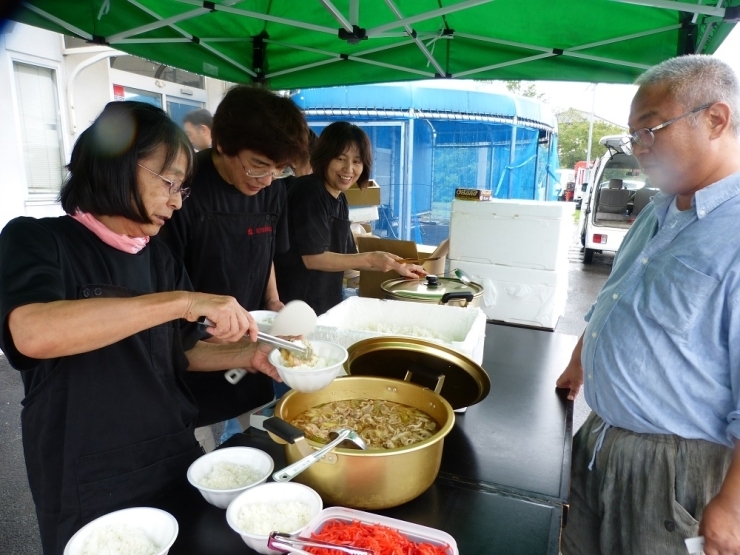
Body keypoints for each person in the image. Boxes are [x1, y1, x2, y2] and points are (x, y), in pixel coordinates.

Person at [0, 101, 279, 554]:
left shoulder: (159, 257)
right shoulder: (37, 240)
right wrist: (182, 301)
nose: (175, 200)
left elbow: (181, 351)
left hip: (171, 458)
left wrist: (248, 355)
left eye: (183, 190)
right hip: (88, 476)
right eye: (168, 181)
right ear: (115, 164)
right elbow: (33, 334)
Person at [556, 55, 740, 555]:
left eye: (650, 129)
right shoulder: (660, 210)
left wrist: (733, 505)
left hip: (676, 470)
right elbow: (618, 300)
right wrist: (580, 359)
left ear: (716, 120)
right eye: (634, 134)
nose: (639, 149)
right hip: (600, 440)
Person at [158, 85, 311, 443]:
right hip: (191, 345)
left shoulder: (273, 189)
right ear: (223, 144)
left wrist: (273, 301)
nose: (267, 180)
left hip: (251, 336)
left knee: (252, 436)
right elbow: (163, 279)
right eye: (258, 166)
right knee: (191, 442)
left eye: (279, 169)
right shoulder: (183, 188)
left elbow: (267, 249)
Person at [274, 121, 425, 316]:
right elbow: (314, 258)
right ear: (325, 157)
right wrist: (372, 257)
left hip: (324, 304)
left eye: (357, 161)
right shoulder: (309, 191)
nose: (348, 169)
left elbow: (349, 258)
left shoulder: (340, 198)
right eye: (340, 158)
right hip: (296, 306)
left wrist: (397, 265)